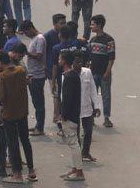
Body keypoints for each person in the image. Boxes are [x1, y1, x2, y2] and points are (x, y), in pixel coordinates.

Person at [0, 51, 35, 183]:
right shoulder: (20, 70)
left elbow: (1, 97)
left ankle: (17, 174)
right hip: (22, 111)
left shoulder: (3, 76)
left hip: (9, 113)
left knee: (13, 143)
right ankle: (31, 170)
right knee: (25, 140)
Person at [58, 50, 86, 182]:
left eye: (60, 59)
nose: (58, 61)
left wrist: (63, 115)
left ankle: (79, 172)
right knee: (72, 143)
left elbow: (68, 99)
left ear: (64, 61)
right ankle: (75, 168)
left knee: (73, 143)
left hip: (70, 117)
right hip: (73, 114)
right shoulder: (72, 75)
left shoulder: (70, 77)